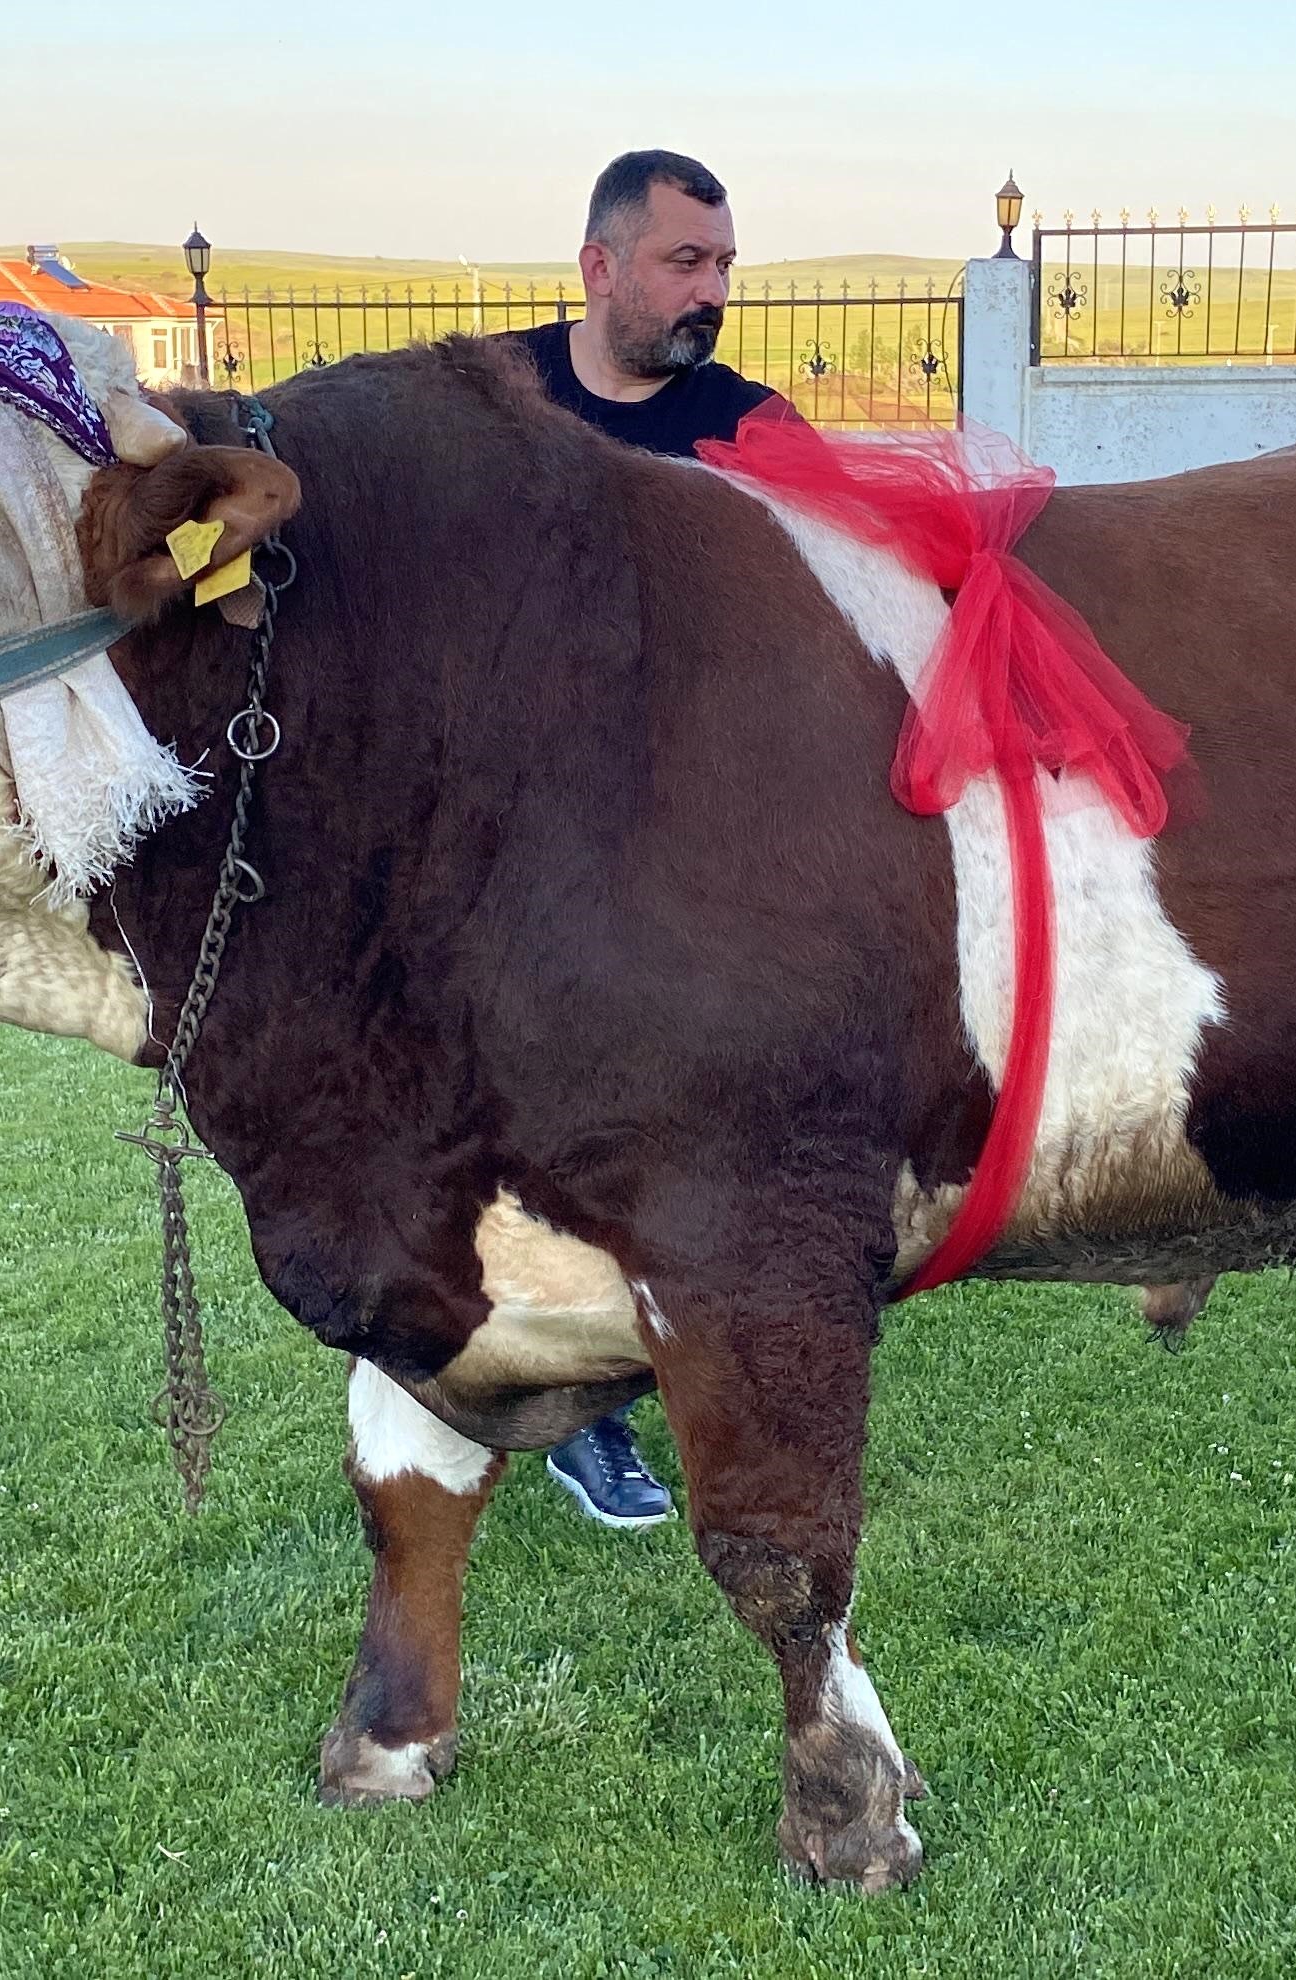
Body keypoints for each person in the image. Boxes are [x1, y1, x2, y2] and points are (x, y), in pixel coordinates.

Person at [512, 150, 793, 1529]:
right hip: (505, 837)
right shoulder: (494, 400)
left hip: (683, 845)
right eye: (688, 262)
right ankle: (520, 1377)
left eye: (725, 265)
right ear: (600, 265)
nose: (714, 292)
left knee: (670, 1126)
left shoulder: (750, 425)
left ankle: (619, 1399)